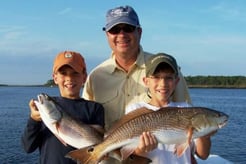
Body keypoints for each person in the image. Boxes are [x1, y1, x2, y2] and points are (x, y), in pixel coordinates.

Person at [82, 5, 191, 163]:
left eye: (128, 28)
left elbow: (186, 118)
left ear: (139, 32)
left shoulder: (164, 69)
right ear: (107, 35)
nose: (122, 34)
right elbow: (87, 124)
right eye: (115, 30)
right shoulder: (95, 77)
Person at [125, 53, 212, 164]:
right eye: (156, 77)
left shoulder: (186, 109)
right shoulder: (135, 110)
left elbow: (203, 155)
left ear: (176, 82)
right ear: (146, 81)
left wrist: (205, 135)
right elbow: (129, 156)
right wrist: (141, 150)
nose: (163, 84)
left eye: (169, 78)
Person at [21, 51, 105, 164]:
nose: (69, 78)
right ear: (55, 78)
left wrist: (103, 151)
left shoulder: (94, 108)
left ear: (84, 77)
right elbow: (28, 147)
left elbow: (96, 153)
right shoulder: (44, 112)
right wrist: (34, 120)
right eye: (63, 73)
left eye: (75, 73)